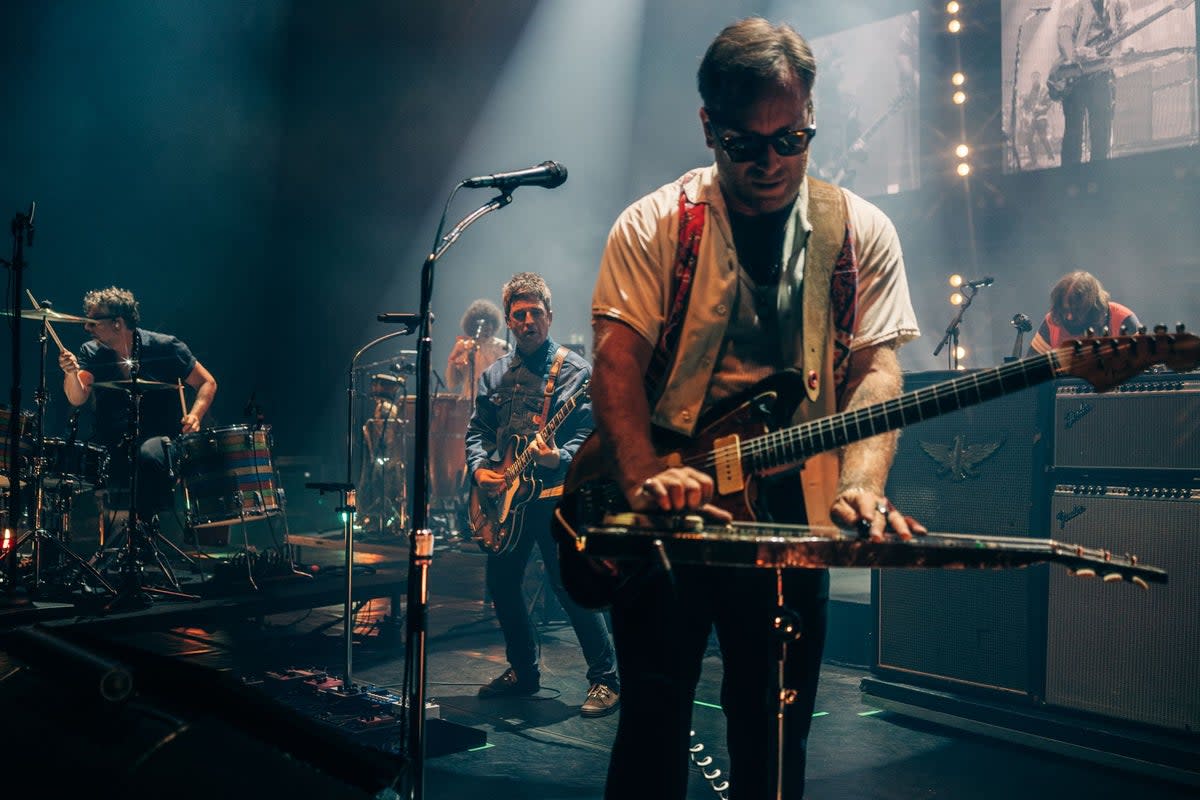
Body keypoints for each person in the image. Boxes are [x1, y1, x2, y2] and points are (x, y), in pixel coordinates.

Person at [587, 17, 923, 798]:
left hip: (791, 513)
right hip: (674, 508)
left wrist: (863, 484)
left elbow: (878, 369)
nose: (771, 161)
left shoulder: (859, 230)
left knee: (776, 737)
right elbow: (615, 365)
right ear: (710, 126)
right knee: (651, 728)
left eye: (791, 138)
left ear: (809, 115)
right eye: (746, 143)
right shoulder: (655, 224)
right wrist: (641, 480)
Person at [465, 272, 620, 717]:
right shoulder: (494, 374)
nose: (528, 321)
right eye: (520, 315)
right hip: (507, 501)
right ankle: (523, 671)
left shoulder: (575, 372)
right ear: (510, 323)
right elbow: (477, 432)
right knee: (502, 584)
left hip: (555, 496)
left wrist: (561, 457)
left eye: (536, 313)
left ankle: (605, 679)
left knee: (570, 587)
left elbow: (594, 435)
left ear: (549, 317)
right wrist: (480, 471)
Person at [58, 287, 217, 519]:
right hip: (110, 440)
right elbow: (77, 396)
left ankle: (143, 532)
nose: (87, 328)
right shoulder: (91, 352)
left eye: (93, 322)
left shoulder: (165, 347)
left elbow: (207, 382)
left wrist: (194, 416)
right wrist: (70, 373)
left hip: (160, 438)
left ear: (117, 323)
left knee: (147, 457)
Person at [1054, 0, 1128, 164]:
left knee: (1102, 134)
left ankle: (1100, 179)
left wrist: (1121, 50)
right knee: (1073, 135)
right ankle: (1071, 181)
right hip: (1076, 76)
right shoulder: (1073, 7)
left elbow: (1127, 29)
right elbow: (1064, 36)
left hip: (1102, 76)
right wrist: (1073, 56)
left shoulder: (1119, 6)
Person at [1028, 270, 1140, 354]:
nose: (1069, 317)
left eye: (1076, 311)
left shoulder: (1122, 319)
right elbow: (1032, 374)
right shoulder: (1052, 320)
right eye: (1064, 310)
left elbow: (1142, 368)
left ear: (1093, 308)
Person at [446, 298, 509, 401]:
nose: (488, 327)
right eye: (484, 324)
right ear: (474, 325)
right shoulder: (464, 346)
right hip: (468, 400)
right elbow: (453, 382)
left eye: (490, 323)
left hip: (493, 402)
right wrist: (452, 360)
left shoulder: (502, 347)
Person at [1021, 71, 1057, 169]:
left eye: (1037, 77)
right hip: (1032, 118)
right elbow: (1027, 106)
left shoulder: (1044, 90)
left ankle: (1051, 157)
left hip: (1041, 117)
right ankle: (1033, 160)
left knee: (1043, 138)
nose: (1035, 79)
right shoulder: (1030, 91)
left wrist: (1040, 108)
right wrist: (1024, 108)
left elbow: (1048, 104)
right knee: (1029, 139)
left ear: (1040, 78)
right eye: (1033, 77)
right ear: (1031, 79)